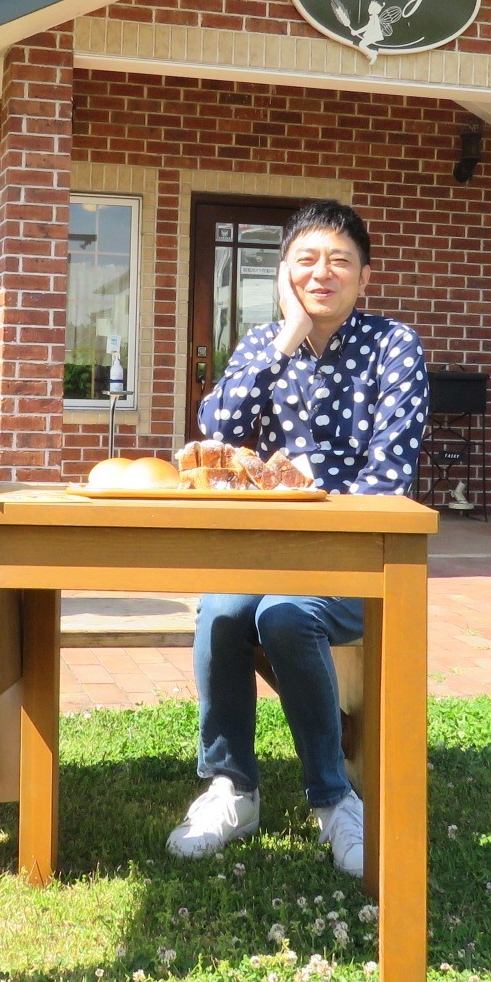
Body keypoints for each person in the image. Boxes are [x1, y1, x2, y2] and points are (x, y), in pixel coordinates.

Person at [166, 200, 427, 877]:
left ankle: (334, 798)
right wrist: (288, 335)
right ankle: (232, 787)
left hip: (355, 556)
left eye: (340, 260)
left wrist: (316, 515)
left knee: (286, 611)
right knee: (223, 607)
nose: (323, 272)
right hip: (265, 547)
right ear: (284, 273)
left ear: (364, 277)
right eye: (306, 259)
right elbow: (216, 431)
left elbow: (389, 477)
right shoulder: (263, 343)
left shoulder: (394, 346)